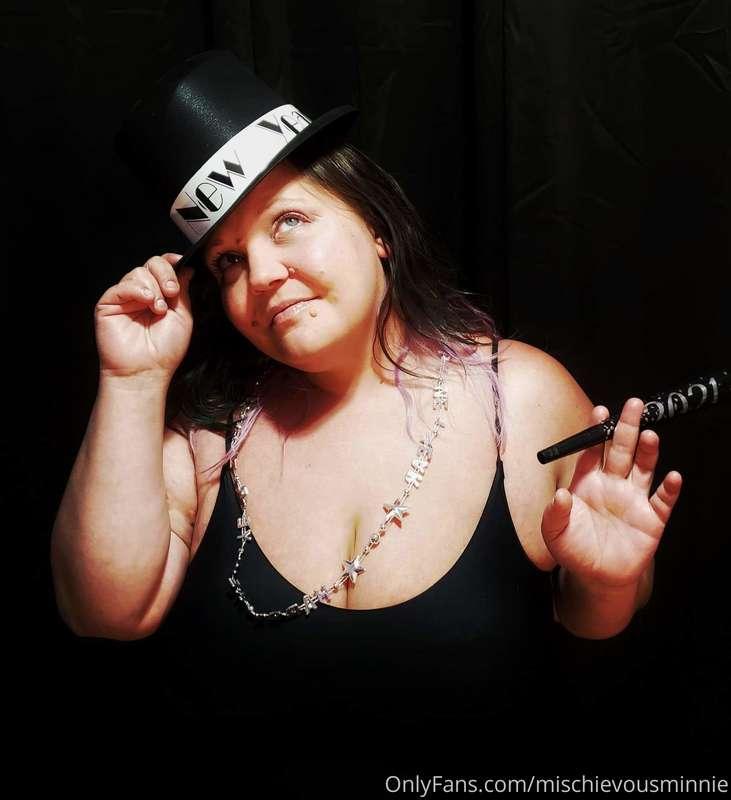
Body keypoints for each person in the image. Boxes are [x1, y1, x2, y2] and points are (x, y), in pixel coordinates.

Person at [50, 51, 683, 732]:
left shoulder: (519, 397)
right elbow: (105, 614)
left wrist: (608, 582)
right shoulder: (207, 439)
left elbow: (590, 621)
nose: (261, 273)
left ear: (376, 227)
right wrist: (132, 379)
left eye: (288, 221)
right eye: (229, 260)